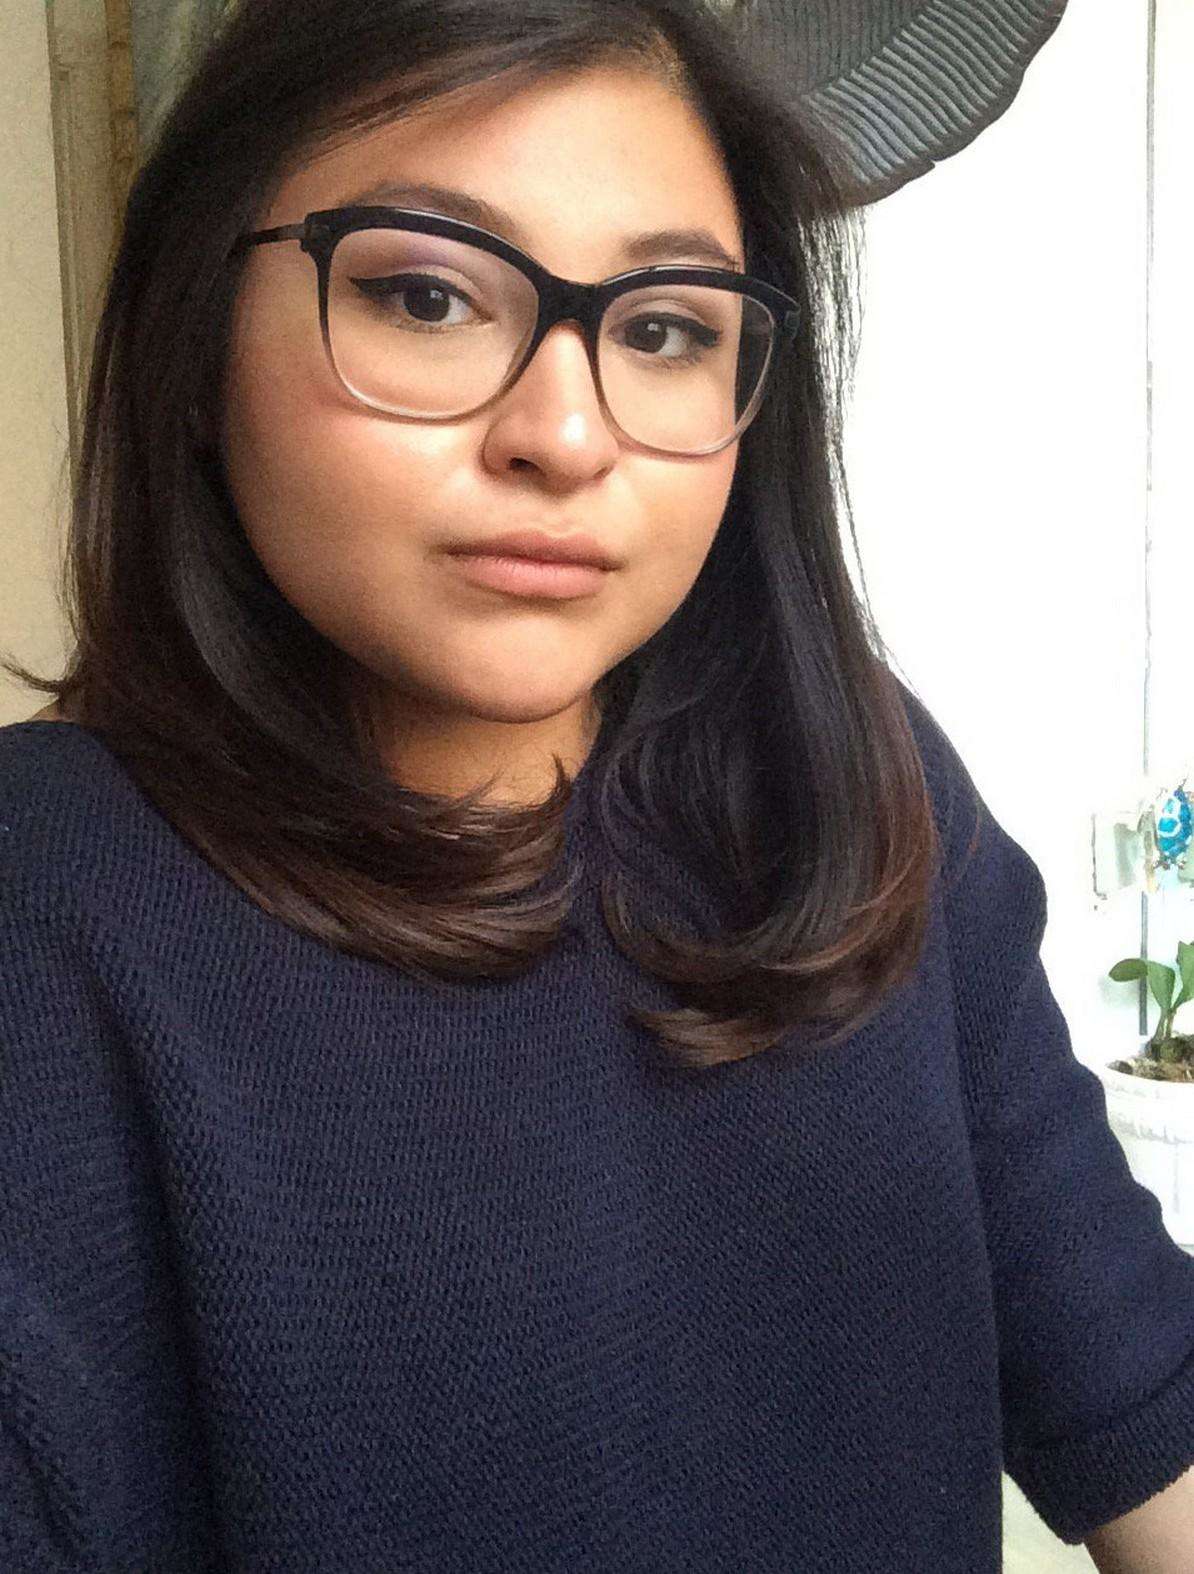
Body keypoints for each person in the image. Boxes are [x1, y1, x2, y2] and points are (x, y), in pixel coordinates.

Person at [3, 2, 1193, 1569]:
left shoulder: (847, 784)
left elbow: (1141, 1410)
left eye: (663, 329)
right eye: (426, 295)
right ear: (196, 332)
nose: (564, 436)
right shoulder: (49, 908)